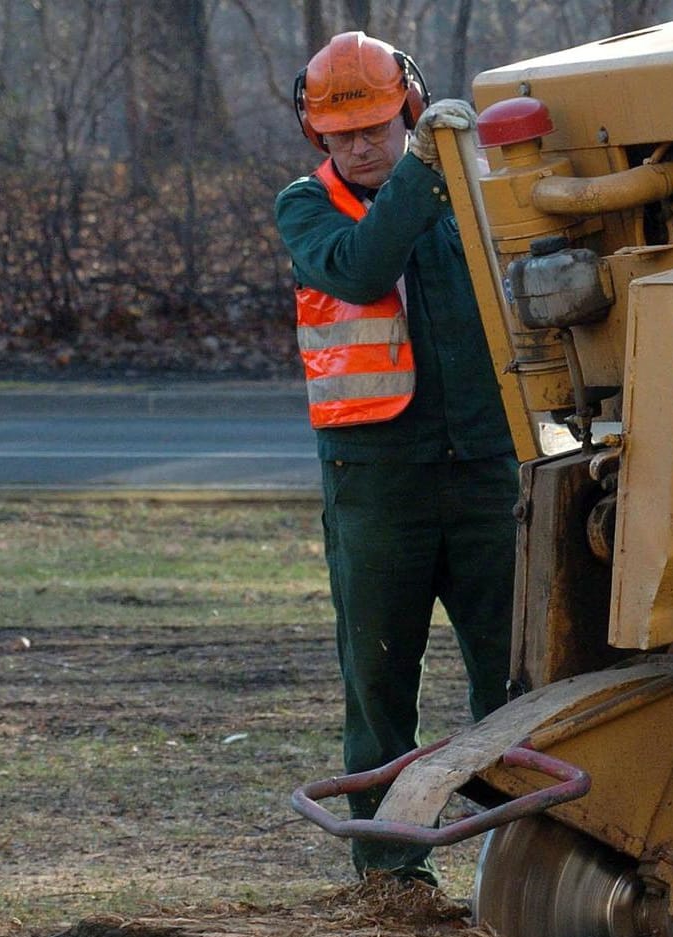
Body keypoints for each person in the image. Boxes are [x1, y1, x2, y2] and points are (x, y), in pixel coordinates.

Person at [275, 31, 518, 886]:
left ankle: (525, 859)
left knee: (516, 676)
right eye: (343, 134)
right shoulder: (306, 210)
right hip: (377, 484)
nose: (361, 145)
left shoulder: (464, 196)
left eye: (375, 126)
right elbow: (364, 266)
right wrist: (423, 171)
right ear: (318, 137)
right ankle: (389, 879)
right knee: (380, 686)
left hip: (486, 469)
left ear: (406, 110)